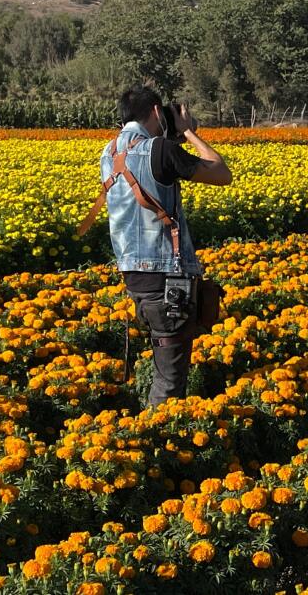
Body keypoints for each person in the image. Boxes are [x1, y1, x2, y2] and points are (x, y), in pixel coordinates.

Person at [78, 86, 233, 407]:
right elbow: (221, 172)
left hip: (136, 279)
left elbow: (151, 169)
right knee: (170, 381)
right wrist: (188, 131)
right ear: (155, 112)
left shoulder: (108, 153)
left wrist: (170, 137)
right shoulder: (160, 150)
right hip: (166, 280)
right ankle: (156, 441)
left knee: (166, 364)